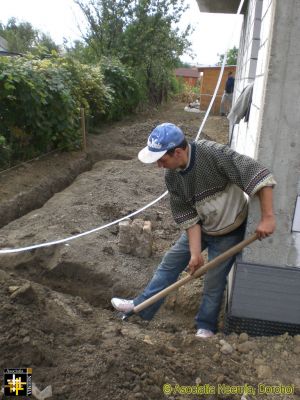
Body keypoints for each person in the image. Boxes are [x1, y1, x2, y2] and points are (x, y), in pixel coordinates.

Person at [111, 123, 276, 338]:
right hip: (204, 227)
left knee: (214, 280)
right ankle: (141, 307)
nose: (159, 166)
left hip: (230, 230)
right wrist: (196, 253)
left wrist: (267, 217)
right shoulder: (172, 177)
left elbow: (258, 175)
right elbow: (189, 218)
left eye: (162, 159)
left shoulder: (213, 155)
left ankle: (206, 326)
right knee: (170, 263)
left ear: (178, 152)